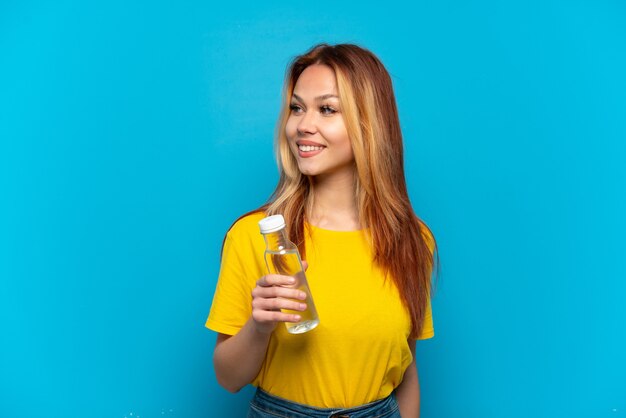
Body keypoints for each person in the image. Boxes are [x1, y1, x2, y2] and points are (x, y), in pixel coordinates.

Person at [206, 43, 438, 418]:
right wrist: (259, 326)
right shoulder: (255, 236)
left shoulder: (413, 240)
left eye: (326, 109)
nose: (302, 125)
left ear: (370, 122)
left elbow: (405, 370)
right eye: (297, 108)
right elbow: (228, 378)